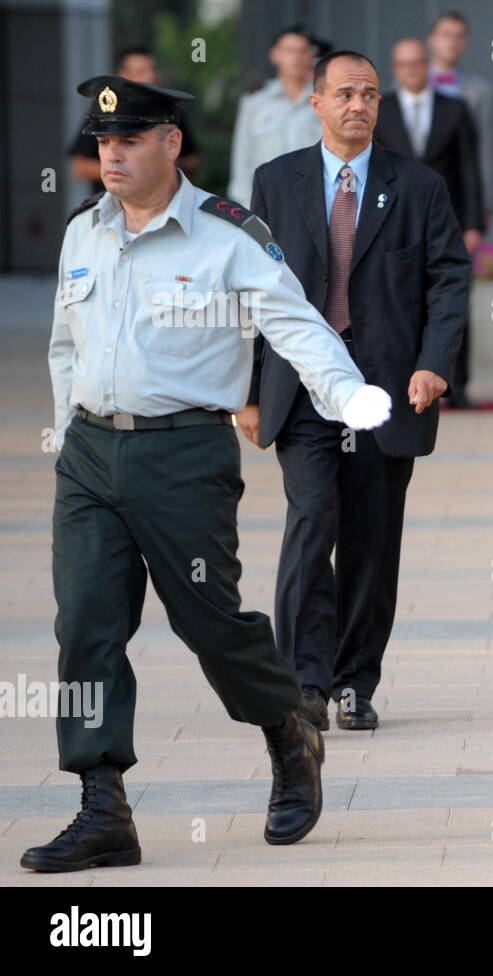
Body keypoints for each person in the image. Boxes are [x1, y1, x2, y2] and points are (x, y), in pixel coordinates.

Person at [24, 76, 393, 873]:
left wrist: (347, 392)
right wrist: (67, 437)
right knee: (85, 628)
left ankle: (288, 730)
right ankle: (102, 807)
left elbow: (294, 324)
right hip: (91, 456)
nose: (110, 155)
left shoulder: (228, 235)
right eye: (101, 143)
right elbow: (64, 344)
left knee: (210, 626)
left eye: (127, 141)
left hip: (183, 455)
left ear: (171, 145)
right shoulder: (83, 232)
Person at [237, 50, 471, 734]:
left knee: (371, 542)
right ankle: (302, 682)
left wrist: (433, 363)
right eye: (344, 93)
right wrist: (248, 391)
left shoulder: (419, 186)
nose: (357, 105)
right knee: (312, 524)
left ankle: (352, 681)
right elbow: (252, 290)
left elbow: (450, 280)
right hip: (302, 389)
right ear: (316, 103)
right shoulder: (275, 183)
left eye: (369, 94)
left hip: (387, 391)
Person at [374, 36, 484, 409]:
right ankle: (407, 380)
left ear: (429, 66)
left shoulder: (456, 109)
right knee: (402, 301)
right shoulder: (380, 108)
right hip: (394, 220)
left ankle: (458, 382)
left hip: (446, 219)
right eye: (404, 64)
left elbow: (470, 168)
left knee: (451, 297)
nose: (412, 70)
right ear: (395, 68)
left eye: (418, 63)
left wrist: (473, 223)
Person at [68, 47, 201, 193]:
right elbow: (79, 167)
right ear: (123, 74)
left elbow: (193, 161)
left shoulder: (168, 111)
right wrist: (125, 170)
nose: (150, 77)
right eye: (104, 142)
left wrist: (160, 162)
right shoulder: (104, 113)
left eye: (130, 142)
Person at [228, 24, 320, 206]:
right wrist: (248, 209)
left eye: (302, 51)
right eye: (289, 51)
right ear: (275, 55)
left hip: (314, 202)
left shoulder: (322, 101)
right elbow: (243, 156)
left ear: (311, 56)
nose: (296, 57)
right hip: (267, 203)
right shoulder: (255, 102)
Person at [428, 11, 493, 231]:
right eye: (447, 34)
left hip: (460, 193)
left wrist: (485, 203)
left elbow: (484, 148)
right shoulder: (406, 86)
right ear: (432, 39)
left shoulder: (479, 91)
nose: (453, 42)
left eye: (460, 36)